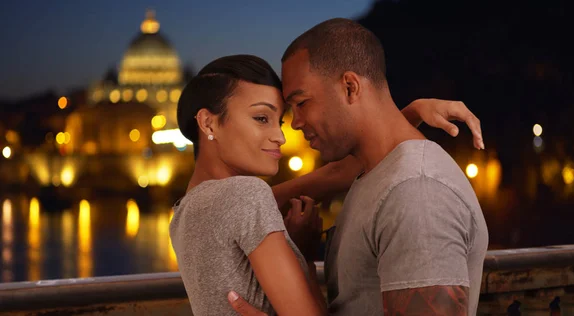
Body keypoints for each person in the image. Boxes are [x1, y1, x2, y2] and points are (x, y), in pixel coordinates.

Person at [170, 55, 483, 315]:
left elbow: (334, 175)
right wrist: (303, 257)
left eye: (279, 122)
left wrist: (409, 114)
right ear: (209, 122)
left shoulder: (185, 212)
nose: (280, 136)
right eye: (261, 119)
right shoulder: (246, 197)